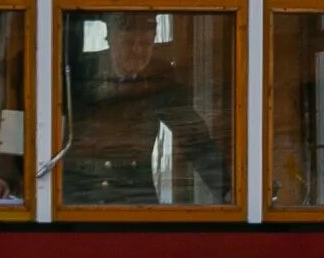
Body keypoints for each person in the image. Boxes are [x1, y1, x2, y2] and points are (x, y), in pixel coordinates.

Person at [64, 14, 224, 205]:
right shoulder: (81, 71)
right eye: (129, 42)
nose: (137, 50)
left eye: (146, 44)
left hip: (136, 200)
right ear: (110, 37)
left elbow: (197, 141)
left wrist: (228, 191)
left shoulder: (161, 77)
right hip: (79, 200)